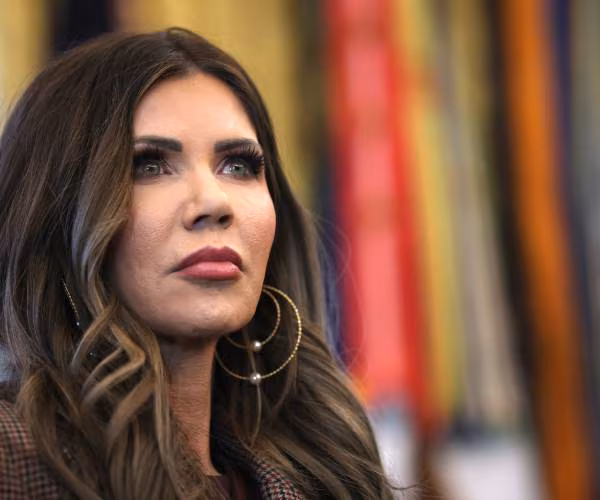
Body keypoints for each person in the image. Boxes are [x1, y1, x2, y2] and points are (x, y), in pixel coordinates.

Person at [0, 28, 396, 499]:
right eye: (149, 166)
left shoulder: (328, 464)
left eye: (238, 166)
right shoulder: (14, 457)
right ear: (56, 215)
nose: (214, 202)